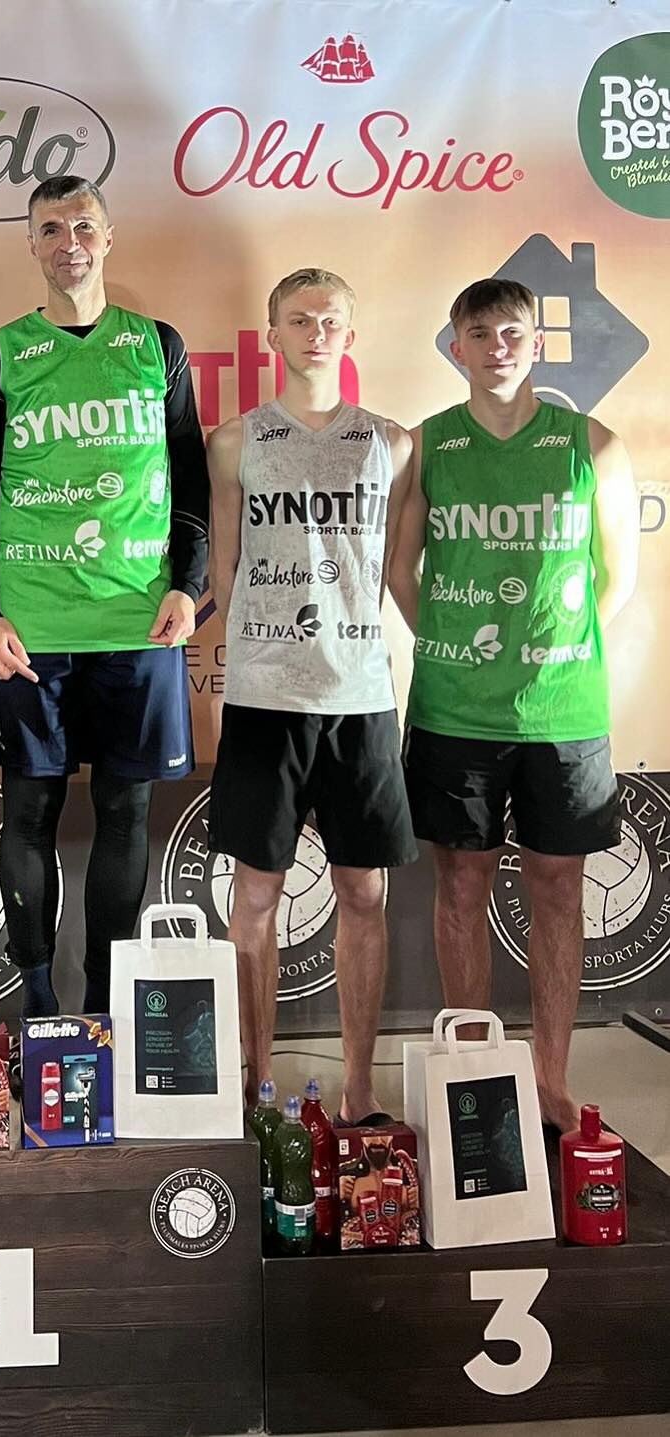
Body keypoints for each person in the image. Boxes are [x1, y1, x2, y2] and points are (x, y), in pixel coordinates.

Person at [389, 277, 639, 1133]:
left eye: (511, 333)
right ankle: (473, 1070)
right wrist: (450, 643)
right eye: (479, 332)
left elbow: (615, 577)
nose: (496, 346)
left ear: (536, 345)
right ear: (455, 346)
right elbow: (397, 569)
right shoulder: (427, 445)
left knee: (558, 888)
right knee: (459, 883)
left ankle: (549, 1077)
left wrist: (549, 653)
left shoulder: (592, 444)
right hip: (453, 709)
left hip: (562, 714)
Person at [0, 174, 209, 1018]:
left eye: (83, 226)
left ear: (108, 237)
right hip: (31, 630)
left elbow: (189, 476)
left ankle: (103, 1009)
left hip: (137, 623)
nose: (69, 242)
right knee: (27, 813)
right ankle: (37, 1005)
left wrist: (188, 584)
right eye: (51, 228)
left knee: (125, 814)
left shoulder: (157, 345)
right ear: (31, 243)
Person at [205, 267, 416, 1119]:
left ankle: (359, 1087)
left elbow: (394, 569)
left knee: (363, 892)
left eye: (329, 319)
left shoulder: (392, 443)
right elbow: (223, 564)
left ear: (349, 335)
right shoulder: (235, 441)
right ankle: (255, 1082)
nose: (315, 331)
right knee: (255, 895)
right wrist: (252, 654)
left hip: (360, 698)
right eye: (298, 319)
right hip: (265, 701)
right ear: (273, 335)